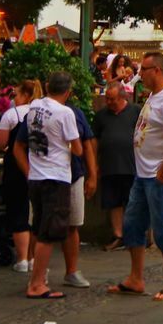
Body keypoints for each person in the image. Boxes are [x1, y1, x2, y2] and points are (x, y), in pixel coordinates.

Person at [107, 52, 163, 301]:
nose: (140, 74)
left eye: (144, 69)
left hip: (160, 174)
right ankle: (136, 277)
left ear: (158, 71)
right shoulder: (155, 96)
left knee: (162, 225)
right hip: (144, 174)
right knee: (132, 224)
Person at [17, 72, 81, 299]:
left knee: (39, 227)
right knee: (48, 232)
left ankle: (37, 279)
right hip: (56, 176)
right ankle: (36, 283)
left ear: (46, 86)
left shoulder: (34, 106)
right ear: (68, 92)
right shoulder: (65, 113)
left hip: (36, 175)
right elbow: (78, 148)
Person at [0, 79, 40, 271]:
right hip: (38, 165)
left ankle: (21, 258)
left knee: (17, 209)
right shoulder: (39, 114)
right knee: (35, 212)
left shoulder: (11, 115)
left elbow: (0, 143)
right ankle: (33, 258)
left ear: (25, 96)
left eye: (17, 95)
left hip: (15, 167)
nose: (14, 99)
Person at [93, 81, 138, 250]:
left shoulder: (135, 111)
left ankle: (133, 234)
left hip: (131, 165)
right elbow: (94, 141)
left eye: (112, 99)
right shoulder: (101, 116)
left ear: (122, 97)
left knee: (132, 201)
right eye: (108, 99)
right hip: (109, 166)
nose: (109, 102)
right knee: (113, 202)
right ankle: (118, 235)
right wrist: (95, 163)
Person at [63, 90, 98, 289]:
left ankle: (71, 270)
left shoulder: (76, 114)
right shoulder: (39, 112)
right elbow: (81, 147)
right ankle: (38, 270)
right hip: (52, 176)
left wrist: (92, 175)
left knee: (72, 224)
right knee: (46, 227)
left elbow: (86, 145)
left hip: (74, 174)